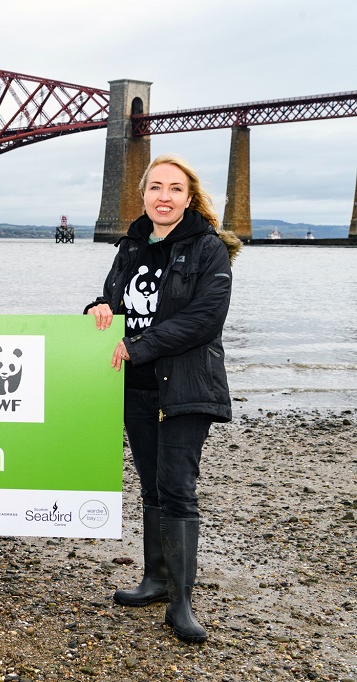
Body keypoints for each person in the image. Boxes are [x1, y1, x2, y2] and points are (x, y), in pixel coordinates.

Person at [86, 155, 241, 642]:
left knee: (177, 488)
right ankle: (154, 580)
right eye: (156, 187)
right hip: (137, 386)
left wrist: (139, 346)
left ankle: (182, 603)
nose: (164, 196)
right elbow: (114, 301)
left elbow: (204, 320)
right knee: (151, 485)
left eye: (175, 188)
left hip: (187, 385)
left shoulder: (209, 250)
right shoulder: (130, 245)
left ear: (189, 197)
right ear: (144, 194)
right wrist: (97, 310)